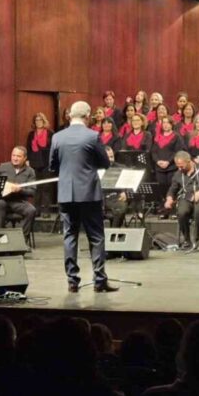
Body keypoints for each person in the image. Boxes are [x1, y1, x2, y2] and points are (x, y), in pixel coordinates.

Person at [49, 101, 115, 293]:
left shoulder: (57, 137)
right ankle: (99, 280)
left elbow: (52, 166)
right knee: (96, 237)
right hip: (88, 193)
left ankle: (72, 281)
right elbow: (105, 163)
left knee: (70, 236)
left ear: (70, 116)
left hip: (66, 193)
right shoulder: (93, 135)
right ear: (87, 116)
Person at [163, 151, 199, 250]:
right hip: (186, 198)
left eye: (182, 166)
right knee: (182, 212)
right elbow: (172, 189)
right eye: (178, 166)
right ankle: (187, 240)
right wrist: (169, 198)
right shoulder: (178, 173)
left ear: (189, 161)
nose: (179, 168)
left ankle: (197, 240)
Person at [0, 146, 38, 245]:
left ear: (25, 158)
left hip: (19, 202)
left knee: (31, 210)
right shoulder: (3, 167)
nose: (15, 158)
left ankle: (21, 241)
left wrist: (21, 190)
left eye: (18, 156)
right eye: (13, 155)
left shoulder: (30, 171)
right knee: (0, 203)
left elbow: (32, 191)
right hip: (4, 200)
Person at [151, 114, 185, 219]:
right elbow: (153, 152)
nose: (165, 125)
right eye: (163, 123)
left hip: (172, 167)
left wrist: (168, 162)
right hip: (159, 167)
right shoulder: (157, 137)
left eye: (167, 123)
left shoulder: (176, 136)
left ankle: (173, 211)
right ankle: (164, 211)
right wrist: (157, 161)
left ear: (171, 124)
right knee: (162, 188)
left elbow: (178, 151)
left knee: (172, 188)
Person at [26, 112, 54, 213]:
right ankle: (36, 210)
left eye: (40, 120)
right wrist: (27, 160)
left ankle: (46, 210)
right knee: (36, 187)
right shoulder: (31, 134)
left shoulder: (50, 133)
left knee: (46, 187)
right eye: (36, 120)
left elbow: (53, 148)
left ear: (44, 121)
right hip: (34, 162)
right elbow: (28, 148)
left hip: (46, 162)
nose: (38, 122)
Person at [103, 146, 129, 228]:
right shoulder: (95, 168)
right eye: (108, 157)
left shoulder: (121, 168)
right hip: (100, 197)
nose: (111, 159)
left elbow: (129, 182)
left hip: (115, 196)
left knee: (121, 208)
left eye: (112, 157)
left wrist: (125, 192)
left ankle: (114, 233)